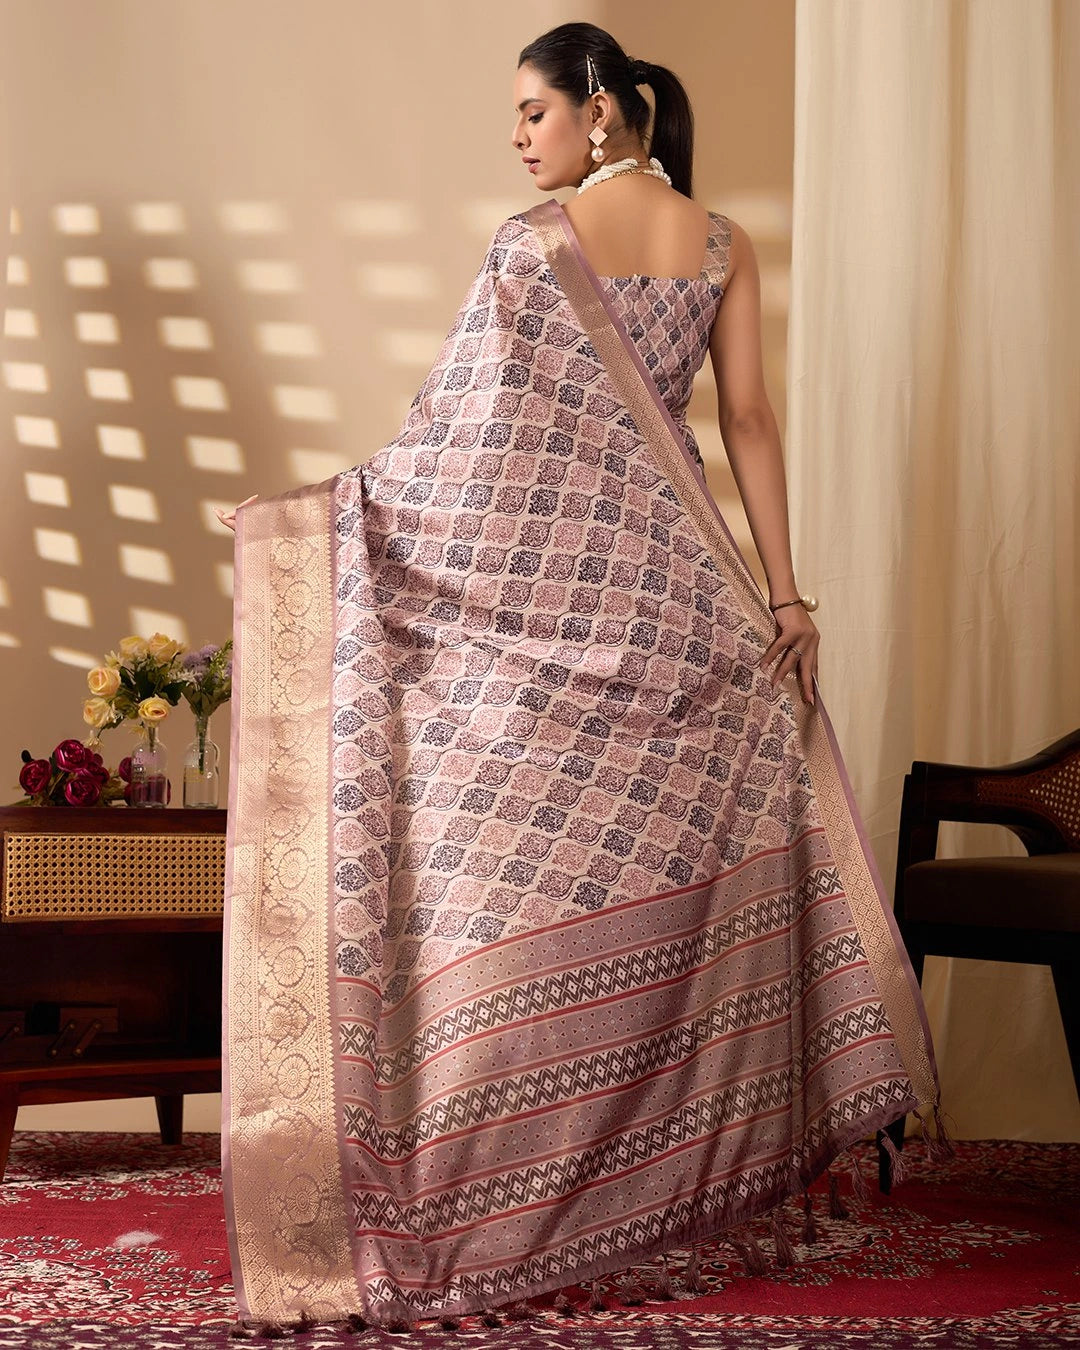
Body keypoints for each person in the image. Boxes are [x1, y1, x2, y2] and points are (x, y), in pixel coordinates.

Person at [218, 21, 943, 1333]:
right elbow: (751, 426)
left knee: (486, 902)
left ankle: (501, 1205)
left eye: (529, 112)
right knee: (667, 923)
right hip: (692, 620)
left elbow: (463, 447)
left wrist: (337, 521)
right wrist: (784, 599)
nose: (517, 138)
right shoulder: (725, 245)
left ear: (599, 110)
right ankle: (661, 1191)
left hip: (559, 628)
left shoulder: (529, 249)